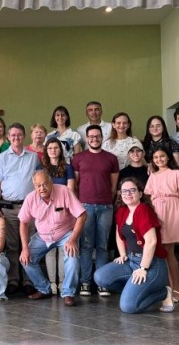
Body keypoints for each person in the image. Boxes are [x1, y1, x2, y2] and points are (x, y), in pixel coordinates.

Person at [94, 178, 175, 313]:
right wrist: (123, 254)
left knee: (129, 307)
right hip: (131, 261)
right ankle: (134, 291)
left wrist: (143, 268)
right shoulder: (122, 211)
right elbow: (119, 235)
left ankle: (163, 293)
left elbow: (151, 241)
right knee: (100, 277)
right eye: (124, 191)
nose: (128, 194)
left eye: (132, 190)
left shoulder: (143, 210)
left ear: (140, 194)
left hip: (151, 265)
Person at [19, 171, 87, 306]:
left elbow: (82, 215)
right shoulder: (30, 198)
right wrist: (25, 248)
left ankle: (68, 293)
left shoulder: (64, 191)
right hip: (43, 236)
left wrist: (72, 239)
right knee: (26, 259)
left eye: (45, 184)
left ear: (51, 182)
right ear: (34, 187)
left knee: (72, 257)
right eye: (38, 186)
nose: (42, 188)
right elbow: (23, 223)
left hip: (65, 233)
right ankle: (44, 289)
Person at [0, 123, 41, 295]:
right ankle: (13, 280)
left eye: (19, 135)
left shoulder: (34, 157)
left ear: (24, 136)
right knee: (12, 246)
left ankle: (28, 280)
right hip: (10, 208)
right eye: (12, 135)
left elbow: (39, 180)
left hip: (29, 207)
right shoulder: (2, 158)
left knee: (30, 244)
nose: (16, 138)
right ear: (8, 137)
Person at [72, 125, 119, 297]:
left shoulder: (111, 158)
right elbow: (75, 185)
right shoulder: (78, 158)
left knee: (103, 246)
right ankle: (85, 282)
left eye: (97, 136)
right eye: (91, 136)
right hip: (85, 207)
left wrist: (108, 200)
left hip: (106, 207)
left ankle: (102, 283)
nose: (94, 139)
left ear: (102, 137)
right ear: (86, 138)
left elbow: (114, 187)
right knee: (85, 246)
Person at [144, 147, 179, 303]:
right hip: (156, 211)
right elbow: (148, 197)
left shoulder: (177, 174)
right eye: (155, 157)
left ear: (169, 157)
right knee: (156, 249)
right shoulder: (153, 176)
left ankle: (176, 288)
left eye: (162, 156)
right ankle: (161, 289)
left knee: (169, 250)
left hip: (172, 210)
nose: (159, 159)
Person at [37, 138, 75, 294]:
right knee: (50, 249)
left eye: (56, 147)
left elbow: (70, 189)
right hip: (46, 212)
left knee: (64, 249)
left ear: (60, 150)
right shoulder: (41, 168)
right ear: (46, 150)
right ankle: (52, 283)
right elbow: (38, 191)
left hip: (64, 211)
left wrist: (67, 208)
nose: (53, 150)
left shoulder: (67, 167)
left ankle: (63, 283)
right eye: (50, 148)